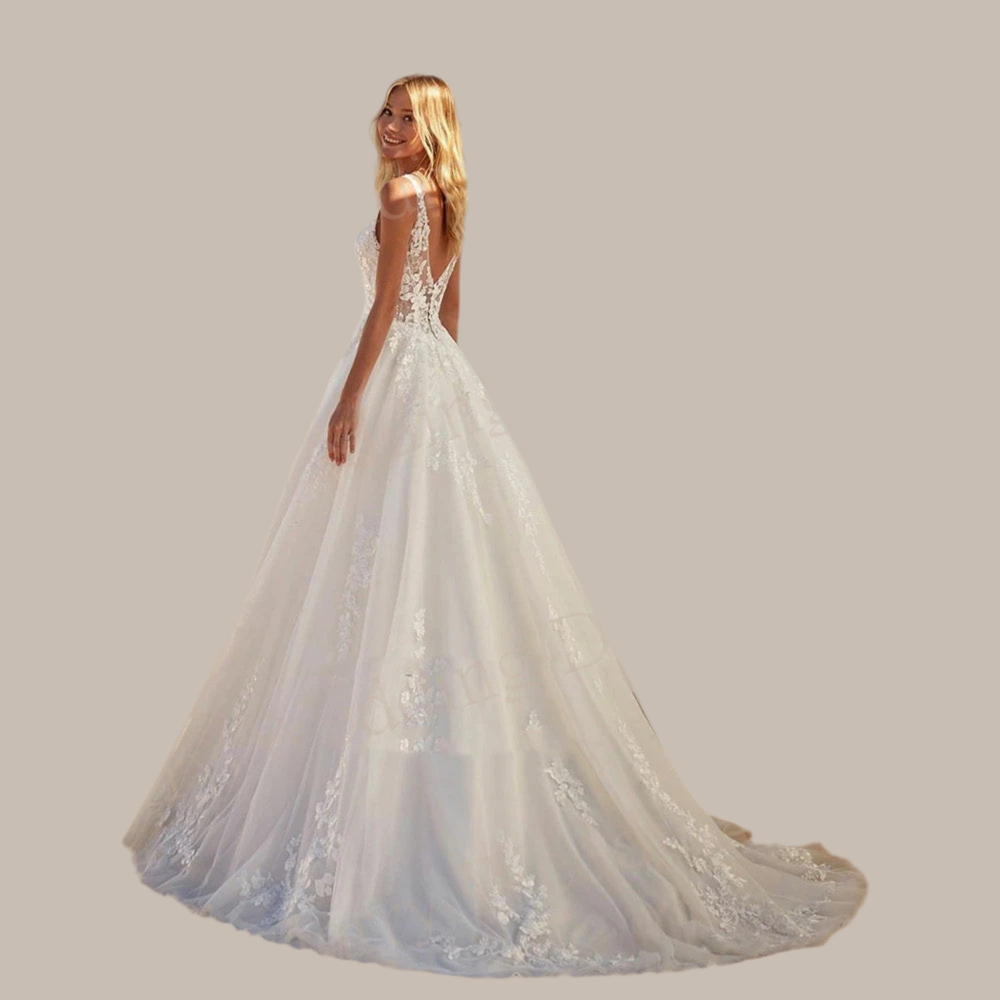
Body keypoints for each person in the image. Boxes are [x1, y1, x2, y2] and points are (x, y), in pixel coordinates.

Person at [123, 74, 868, 977]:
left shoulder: (403, 194)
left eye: (408, 116)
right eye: (386, 112)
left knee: (373, 570)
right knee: (444, 574)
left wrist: (354, 400)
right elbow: (448, 311)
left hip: (391, 375)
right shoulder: (449, 194)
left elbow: (384, 309)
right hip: (434, 377)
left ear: (431, 127)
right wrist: (446, 396)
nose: (390, 126)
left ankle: (391, 803)